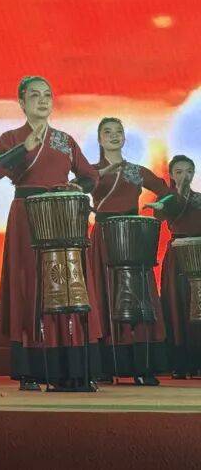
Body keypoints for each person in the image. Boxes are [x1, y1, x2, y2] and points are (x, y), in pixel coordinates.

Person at [0, 75, 101, 391]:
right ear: (22, 103)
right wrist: (23, 148)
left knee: (66, 284)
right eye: (34, 95)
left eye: (47, 95)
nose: (42, 100)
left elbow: (90, 176)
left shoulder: (64, 139)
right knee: (30, 283)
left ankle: (72, 365)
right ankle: (32, 369)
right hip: (27, 215)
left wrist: (77, 187)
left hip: (62, 216)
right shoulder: (11, 138)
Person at [88, 118, 172, 385]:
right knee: (104, 294)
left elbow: (166, 192)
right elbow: (74, 189)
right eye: (107, 132)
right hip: (103, 236)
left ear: (124, 138)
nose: (114, 136)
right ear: (100, 140)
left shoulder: (136, 171)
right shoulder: (91, 171)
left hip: (132, 238)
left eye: (118, 132)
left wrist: (160, 206)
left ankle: (141, 367)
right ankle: (105, 366)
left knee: (137, 298)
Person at [148, 155, 201, 379]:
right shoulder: (167, 199)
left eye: (188, 171)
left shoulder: (199, 199)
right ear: (171, 175)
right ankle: (179, 362)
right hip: (177, 255)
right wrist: (176, 192)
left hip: (198, 252)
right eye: (178, 172)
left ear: (194, 174)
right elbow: (159, 213)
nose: (184, 176)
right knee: (176, 304)